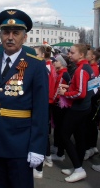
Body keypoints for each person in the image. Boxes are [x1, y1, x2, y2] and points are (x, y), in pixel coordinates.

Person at [0, 8, 49, 188]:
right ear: (0, 35)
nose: (10, 37)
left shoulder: (35, 65)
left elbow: (41, 110)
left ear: (24, 37)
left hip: (20, 143)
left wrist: (37, 147)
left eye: (16, 33)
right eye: (6, 32)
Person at [58, 44, 95, 183]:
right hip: (85, 108)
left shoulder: (81, 70)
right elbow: (87, 87)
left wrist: (65, 93)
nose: (69, 54)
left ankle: (79, 169)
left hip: (78, 109)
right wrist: (68, 87)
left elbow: (80, 93)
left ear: (81, 55)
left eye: (72, 52)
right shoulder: (87, 68)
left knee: (64, 135)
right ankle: (77, 167)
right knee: (79, 137)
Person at [33, 45, 56, 178]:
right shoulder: (45, 66)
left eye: (35, 54)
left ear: (42, 55)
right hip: (46, 102)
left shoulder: (44, 67)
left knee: (41, 132)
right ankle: (47, 157)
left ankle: (40, 166)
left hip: (45, 103)